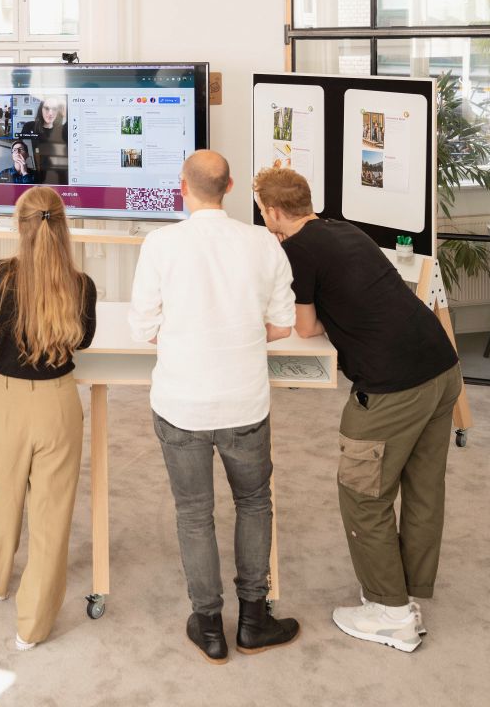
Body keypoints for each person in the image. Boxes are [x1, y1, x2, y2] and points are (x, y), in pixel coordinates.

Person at [254, 166, 462, 653]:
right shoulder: (345, 229)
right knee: (423, 489)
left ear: (275, 212)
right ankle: (405, 597)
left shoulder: (296, 251)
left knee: (363, 492)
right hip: (442, 366)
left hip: (393, 387)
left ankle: (388, 612)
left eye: (264, 209)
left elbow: (304, 328)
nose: (265, 217)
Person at [129, 150, 301, 665]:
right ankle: (253, 620)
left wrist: (186, 338)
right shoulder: (262, 243)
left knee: (193, 514)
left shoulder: (160, 244)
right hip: (244, 404)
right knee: (253, 503)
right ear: (229, 187)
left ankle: (208, 628)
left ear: (183, 186)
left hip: (181, 404)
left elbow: (142, 329)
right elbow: (282, 326)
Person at [0, 186, 96, 651]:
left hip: (4, 400)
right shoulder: (81, 285)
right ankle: (32, 628)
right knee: (52, 513)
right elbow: (81, 343)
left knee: (4, 491)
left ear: (17, 224)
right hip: (59, 405)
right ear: (62, 226)